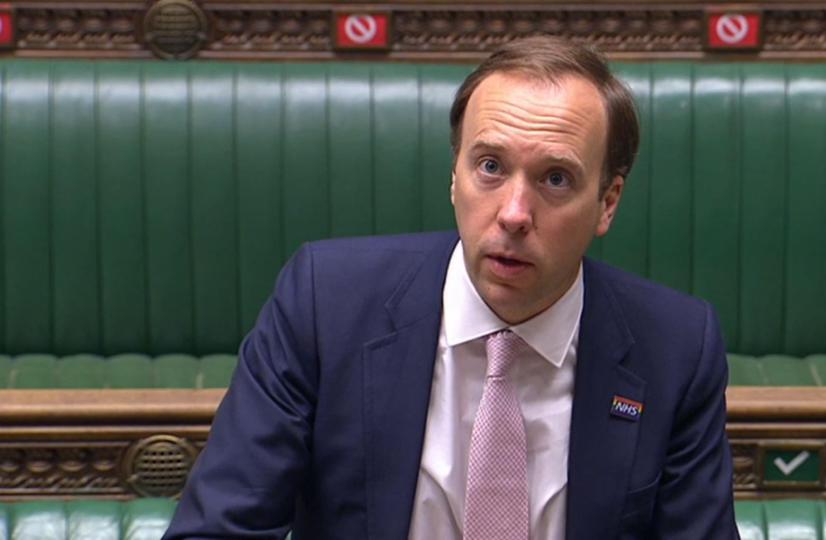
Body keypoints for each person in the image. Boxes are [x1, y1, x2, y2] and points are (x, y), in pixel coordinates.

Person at [164, 36, 738, 540]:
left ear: (607, 202)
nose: (513, 214)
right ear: (454, 175)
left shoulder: (677, 349)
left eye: (555, 179)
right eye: (490, 166)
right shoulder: (325, 303)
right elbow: (218, 530)